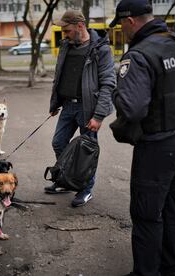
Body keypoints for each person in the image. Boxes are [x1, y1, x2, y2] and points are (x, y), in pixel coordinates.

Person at [109, 0, 175, 275]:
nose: (121, 29)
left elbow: (132, 108)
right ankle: (170, 269)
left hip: (157, 148)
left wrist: (116, 90)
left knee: (146, 215)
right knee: (171, 205)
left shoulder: (139, 55)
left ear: (130, 20)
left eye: (121, 24)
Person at [44, 10, 116, 207]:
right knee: (58, 143)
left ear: (80, 26)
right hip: (67, 106)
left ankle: (86, 190)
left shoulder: (100, 49)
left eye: (67, 30)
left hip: (88, 109)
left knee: (87, 152)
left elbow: (109, 83)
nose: (64, 34)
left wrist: (99, 115)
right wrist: (55, 103)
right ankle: (66, 180)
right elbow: (61, 76)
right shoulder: (66, 45)